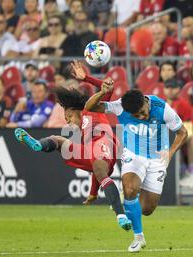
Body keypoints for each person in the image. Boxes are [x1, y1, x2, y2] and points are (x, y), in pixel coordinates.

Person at [13, 64, 132, 232]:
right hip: (95, 152)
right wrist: (93, 192)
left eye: (68, 116)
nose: (67, 120)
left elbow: (106, 90)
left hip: (106, 142)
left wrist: (87, 79)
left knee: (98, 165)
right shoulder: (84, 134)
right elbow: (94, 165)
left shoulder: (91, 110)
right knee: (59, 140)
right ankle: (38, 145)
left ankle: (121, 215)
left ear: (76, 110)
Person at [95, 76, 188, 252]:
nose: (142, 117)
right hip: (133, 154)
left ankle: (130, 202)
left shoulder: (162, 108)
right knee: (130, 188)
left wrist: (169, 154)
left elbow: (183, 133)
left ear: (146, 101)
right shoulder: (120, 106)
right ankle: (139, 238)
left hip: (157, 159)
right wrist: (102, 92)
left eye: (143, 112)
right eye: (137, 116)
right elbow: (90, 107)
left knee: (146, 209)